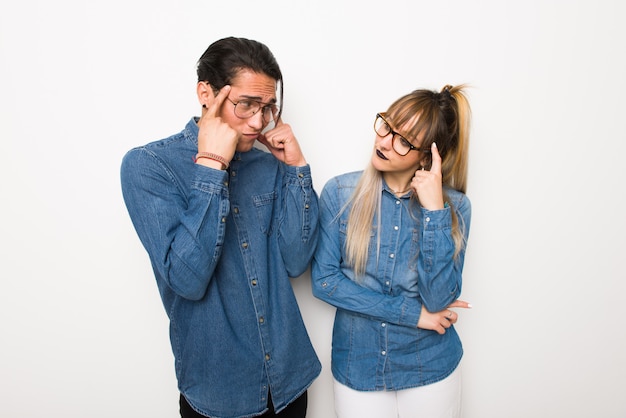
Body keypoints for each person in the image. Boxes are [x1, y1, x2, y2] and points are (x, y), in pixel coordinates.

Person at [120, 37, 321, 418]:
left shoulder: (269, 166)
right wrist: (212, 164)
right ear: (206, 93)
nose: (258, 122)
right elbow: (187, 279)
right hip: (218, 394)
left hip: (290, 383)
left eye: (268, 108)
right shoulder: (148, 167)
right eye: (246, 104)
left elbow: (296, 261)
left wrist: (296, 169)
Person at [311, 85, 473, 418]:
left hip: (431, 368)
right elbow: (324, 281)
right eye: (387, 125)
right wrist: (411, 314)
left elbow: (439, 298)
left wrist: (433, 212)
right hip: (359, 367)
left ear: (427, 156)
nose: (383, 141)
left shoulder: (454, 208)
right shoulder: (340, 193)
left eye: (403, 140)